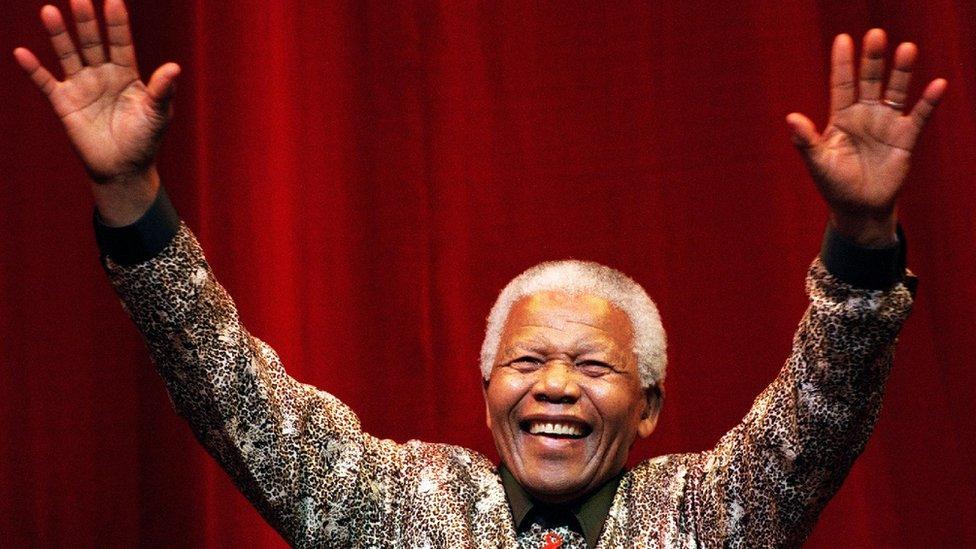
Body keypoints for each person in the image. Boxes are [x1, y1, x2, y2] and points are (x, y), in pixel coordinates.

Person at [15, 1, 947, 547]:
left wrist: (864, 237)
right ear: (486, 384)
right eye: (528, 359)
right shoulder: (396, 505)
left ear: (652, 405)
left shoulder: (708, 514)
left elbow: (820, 410)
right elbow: (228, 386)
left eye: (594, 366)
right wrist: (133, 196)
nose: (554, 385)